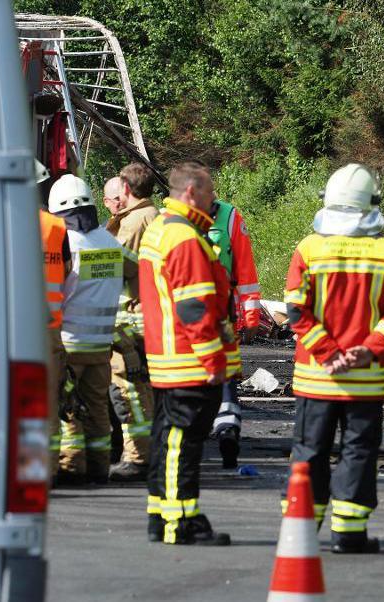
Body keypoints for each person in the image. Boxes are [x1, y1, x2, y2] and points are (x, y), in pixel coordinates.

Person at [283, 163, 384, 553]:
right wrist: (371, 347)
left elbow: (295, 310)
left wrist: (328, 354)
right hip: (366, 379)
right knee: (358, 452)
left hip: (316, 377)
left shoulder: (309, 248)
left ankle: (303, 529)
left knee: (309, 453)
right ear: (371, 205)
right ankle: (349, 532)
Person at [140, 162, 240, 545]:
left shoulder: (161, 229)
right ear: (192, 193)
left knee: (167, 440)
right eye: (211, 193)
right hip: (189, 361)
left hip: (169, 358)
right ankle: (180, 522)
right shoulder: (185, 238)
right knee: (184, 444)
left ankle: (161, 514)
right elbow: (195, 308)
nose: (214, 201)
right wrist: (215, 362)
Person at [51, 174, 125, 486]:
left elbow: (60, 290)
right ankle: (98, 467)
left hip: (70, 343)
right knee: (96, 409)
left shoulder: (66, 243)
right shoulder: (110, 241)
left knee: (65, 409)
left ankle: (70, 467)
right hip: (101, 344)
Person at [103, 163, 160, 481]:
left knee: (129, 391)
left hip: (130, 320)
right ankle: (143, 452)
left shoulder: (135, 221)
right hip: (142, 318)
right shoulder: (151, 216)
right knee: (143, 391)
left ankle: (137, 457)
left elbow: (115, 264)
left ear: (125, 188)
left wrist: (86, 251)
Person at [205, 192, 261, 468]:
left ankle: (226, 428)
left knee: (224, 372)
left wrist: (251, 314)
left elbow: (245, 268)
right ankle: (219, 424)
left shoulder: (228, 216)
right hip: (190, 315)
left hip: (221, 313)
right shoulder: (173, 221)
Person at [36, 160, 69, 482]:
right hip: (50, 329)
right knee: (48, 400)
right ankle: (46, 468)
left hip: (5, 330)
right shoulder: (58, 228)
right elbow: (69, 274)